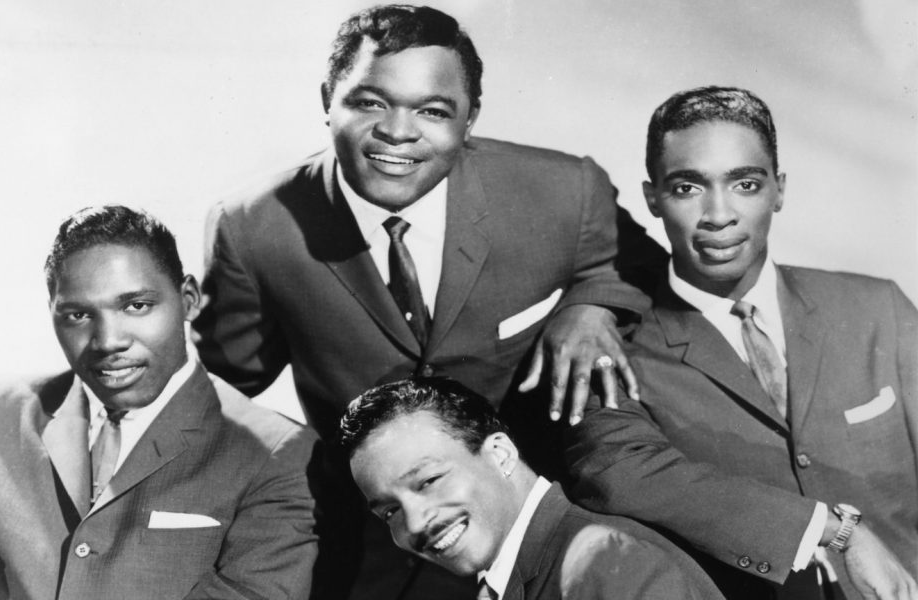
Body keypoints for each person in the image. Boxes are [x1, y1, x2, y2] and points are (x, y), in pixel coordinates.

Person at [194, 5, 663, 597]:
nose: (397, 131)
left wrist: (591, 307)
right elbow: (225, 379)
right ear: (326, 99)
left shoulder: (562, 193)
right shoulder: (253, 227)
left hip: (535, 522)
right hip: (374, 534)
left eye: (433, 111)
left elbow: (640, 266)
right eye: (369, 102)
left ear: (470, 120)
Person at [566, 86, 918, 600]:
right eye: (687, 188)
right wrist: (837, 532)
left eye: (745, 184)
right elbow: (617, 475)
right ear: (652, 200)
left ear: (779, 189)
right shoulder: (616, 352)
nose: (718, 214)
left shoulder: (875, 308)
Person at [0, 206, 318, 600]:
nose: (108, 341)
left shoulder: (280, 452)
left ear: (189, 299)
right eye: (77, 315)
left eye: (136, 306)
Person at [340, 378, 724, 600]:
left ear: (501, 454)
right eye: (389, 511)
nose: (416, 521)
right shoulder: (513, 576)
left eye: (427, 481)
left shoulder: (614, 566)